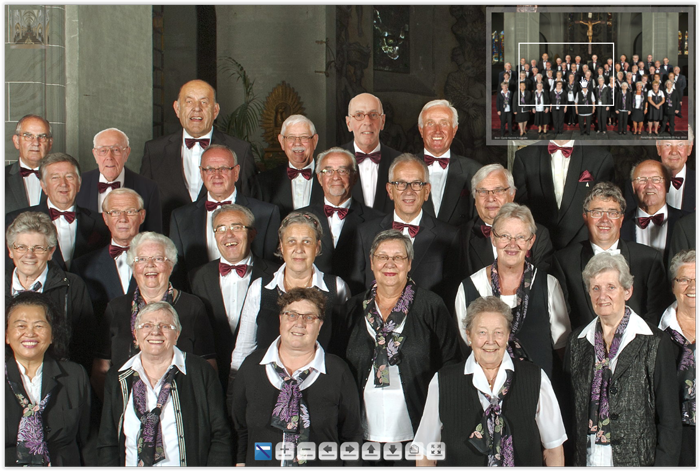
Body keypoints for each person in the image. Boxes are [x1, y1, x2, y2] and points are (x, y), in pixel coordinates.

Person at [338, 230, 461, 464]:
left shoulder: (431, 306)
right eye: (382, 257)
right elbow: (338, 368)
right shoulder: (351, 308)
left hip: (416, 432)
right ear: (372, 262)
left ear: (409, 264)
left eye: (398, 257)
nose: (390, 264)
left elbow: (451, 365)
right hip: (363, 435)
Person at [412, 296, 566, 466]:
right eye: (482, 332)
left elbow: (553, 450)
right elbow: (425, 453)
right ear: (469, 335)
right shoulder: (442, 381)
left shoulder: (536, 378)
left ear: (507, 335)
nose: (490, 341)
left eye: (498, 332)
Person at [564, 253, 681, 466]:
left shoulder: (654, 342)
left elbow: (670, 421)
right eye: (595, 288)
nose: (602, 295)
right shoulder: (577, 342)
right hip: (587, 458)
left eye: (611, 287)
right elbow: (569, 412)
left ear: (627, 291)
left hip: (637, 460)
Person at [230, 288, 363, 466]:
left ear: (320, 324)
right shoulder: (252, 366)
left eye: (309, 317)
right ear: (281, 319)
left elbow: (352, 435)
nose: (299, 323)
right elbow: (240, 429)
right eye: (291, 315)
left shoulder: (338, 371)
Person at [97, 302, 231, 466]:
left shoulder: (201, 372)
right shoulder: (117, 377)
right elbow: (107, 442)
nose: (155, 332)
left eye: (165, 326)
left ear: (177, 334)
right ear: (135, 334)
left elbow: (221, 435)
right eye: (147, 325)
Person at [92, 232, 216, 401]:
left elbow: (208, 367)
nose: (149, 265)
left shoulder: (193, 306)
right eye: (141, 259)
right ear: (133, 268)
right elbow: (101, 369)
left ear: (171, 266)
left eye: (158, 258)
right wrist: (116, 406)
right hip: (125, 408)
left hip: (183, 408)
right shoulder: (116, 308)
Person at [456, 203, 570, 377]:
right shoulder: (468, 287)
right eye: (504, 236)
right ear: (493, 238)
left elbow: (561, 348)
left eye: (520, 237)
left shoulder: (549, 285)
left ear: (531, 241)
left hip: (539, 390)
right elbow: (466, 348)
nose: (512, 244)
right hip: (486, 392)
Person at [231, 211, 350, 372]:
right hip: (266, 384)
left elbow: (344, 346)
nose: (298, 249)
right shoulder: (259, 289)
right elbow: (244, 349)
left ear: (317, 247)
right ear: (281, 245)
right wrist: (234, 390)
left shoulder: (337, 288)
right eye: (291, 241)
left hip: (322, 385)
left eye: (306, 242)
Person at [140, 79, 257, 232]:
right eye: (189, 102)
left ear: (215, 110)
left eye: (204, 102)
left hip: (225, 244)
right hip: (169, 245)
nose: (196, 109)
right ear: (177, 108)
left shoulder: (240, 150)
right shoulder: (154, 150)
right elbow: (144, 206)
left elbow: (251, 205)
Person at [551, 182, 670, 330]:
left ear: (621, 219)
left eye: (612, 213)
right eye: (597, 212)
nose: (605, 219)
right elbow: (563, 319)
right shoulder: (564, 261)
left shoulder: (649, 259)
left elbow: (655, 314)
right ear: (585, 217)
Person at [189, 204, 279, 390]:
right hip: (212, 378)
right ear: (215, 236)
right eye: (221, 229)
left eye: (237, 227)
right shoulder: (196, 277)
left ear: (252, 234)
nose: (228, 235)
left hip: (264, 376)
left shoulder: (276, 275)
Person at [169, 144, 280, 289]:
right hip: (197, 300)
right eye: (209, 169)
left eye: (223, 168)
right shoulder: (180, 217)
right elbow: (177, 270)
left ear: (236, 172)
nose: (217, 175)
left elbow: (271, 266)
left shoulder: (266, 213)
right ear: (201, 173)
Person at [351, 154, 460, 300]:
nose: (409, 191)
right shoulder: (365, 233)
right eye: (401, 184)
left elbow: (451, 295)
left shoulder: (449, 236)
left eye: (416, 184)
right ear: (390, 190)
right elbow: (357, 291)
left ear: (426, 191)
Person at [4, 292, 91, 466]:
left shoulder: (75, 375)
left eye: (39, 326)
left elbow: (88, 440)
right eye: (21, 326)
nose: (30, 333)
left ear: (52, 335)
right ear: (7, 335)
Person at [5, 212, 96, 372]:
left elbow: (85, 346)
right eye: (21, 247)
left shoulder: (72, 286)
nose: (29, 255)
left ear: (50, 252)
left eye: (38, 248)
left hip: (60, 379)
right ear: (10, 250)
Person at [299, 147, 383, 294]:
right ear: (319, 178)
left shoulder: (377, 221)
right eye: (328, 171)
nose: (335, 177)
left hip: (358, 304)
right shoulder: (299, 218)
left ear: (355, 177)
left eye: (343, 171)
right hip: (310, 304)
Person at [5, 153, 109, 271]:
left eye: (69, 177)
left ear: (79, 183)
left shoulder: (101, 222)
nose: (63, 184)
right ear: (43, 186)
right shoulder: (15, 219)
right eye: (55, 177)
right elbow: (8, 270)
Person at [513, 140, 614, 250]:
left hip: (583, 249)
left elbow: (606, 210)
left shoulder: (600, 157)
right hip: (538, 248)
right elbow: (521, 210)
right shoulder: (525, 156)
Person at [457, 164, 554, 277]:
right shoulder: (461, 236)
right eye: (483, 192)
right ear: (475, 198)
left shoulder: (539, 234)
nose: (490, 198)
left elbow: (543, 283)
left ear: (512, 194)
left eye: (498, 190)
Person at [71, 188, 145, 321]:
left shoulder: (162, 262)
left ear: (142, 216)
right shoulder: (82, 267)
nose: (123, 219)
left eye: (130, 211)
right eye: (115, 212)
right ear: (105, 218)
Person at [76, 128, 162, 233]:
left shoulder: (148, 188)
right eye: (103, 151)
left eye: (116, 150)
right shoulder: (78, 184)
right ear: (95, 154)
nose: (109, 157)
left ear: (127, 153)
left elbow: (153, 235)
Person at [416, 99, 482, 226]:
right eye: (430, 123)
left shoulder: (475, 171)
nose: (437, 130)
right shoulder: (401, 169)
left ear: (454, 130)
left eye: (444, 123)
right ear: (421, 130)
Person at [661, 250, 696, 466]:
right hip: (674, 440)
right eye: (684, 280)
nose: (692, 287)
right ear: (673, 285)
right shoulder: (653, 334)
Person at [340, 93, 401, 213]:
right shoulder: (333, 162)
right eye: (359, 115)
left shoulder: (400, 162)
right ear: (348, 123)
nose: (367, 122)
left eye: (373, 115)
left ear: (382, 121)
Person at [255, 115, 324, 218]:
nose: (297, 143)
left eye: (304, 137)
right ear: (282, 141)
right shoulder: (264, 181)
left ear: (315, 140)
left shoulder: (331, 177)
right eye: (291, 138)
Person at [623, 160, 684, 261]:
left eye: (656, 179)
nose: (649, 186)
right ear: (633, 187)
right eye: (642, 180)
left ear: (668, 185)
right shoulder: (619, 224)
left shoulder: (686, 222)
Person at [5, 115, 52, 215]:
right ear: (16, 141)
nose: (35, 143)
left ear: (50, 143)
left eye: (42, 137)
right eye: (28, 136)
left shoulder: (64, 180)